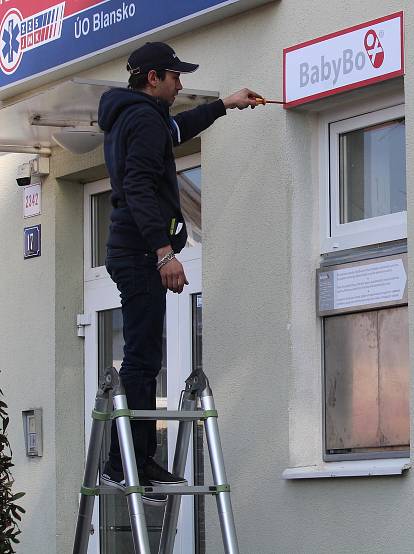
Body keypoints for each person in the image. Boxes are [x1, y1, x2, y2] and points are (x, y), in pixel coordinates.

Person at [97, 42, 262, 505]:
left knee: (144, 355)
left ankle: (134, 457)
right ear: (153, 78)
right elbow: (137, 189)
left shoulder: (135, 116)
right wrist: (164, 253)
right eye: (174, 76)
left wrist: (224, 105)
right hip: (138, 253)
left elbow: (180, 127)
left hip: (131, 251)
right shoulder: (144, 119)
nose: (180, 83)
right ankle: (126, 461)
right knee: (142, 359)